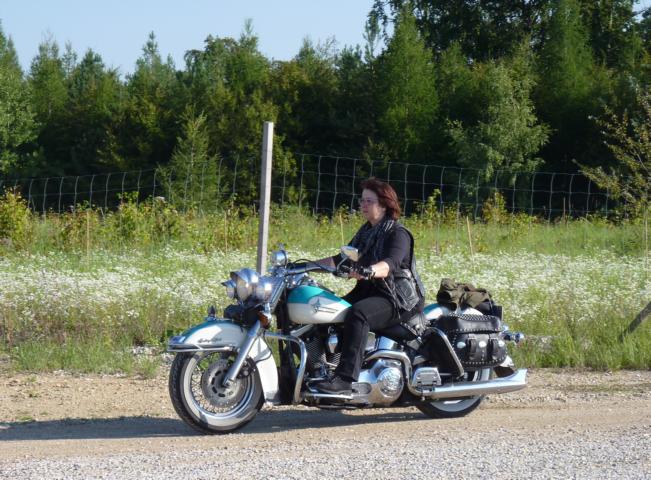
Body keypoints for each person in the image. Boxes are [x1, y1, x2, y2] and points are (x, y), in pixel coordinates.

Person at [312, 177, 425, 395]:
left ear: (384, 204)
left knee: (359, 314)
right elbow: (340, 260)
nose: (363, 205)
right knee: (325, 310)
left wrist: (369, 270)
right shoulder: (366, 232)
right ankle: (321, 369)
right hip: (371, 291)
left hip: (398, 299)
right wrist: (305, 266)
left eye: (369, 201)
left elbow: (390, 264)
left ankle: (345, 380)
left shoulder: (398, 233)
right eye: (362, 200)